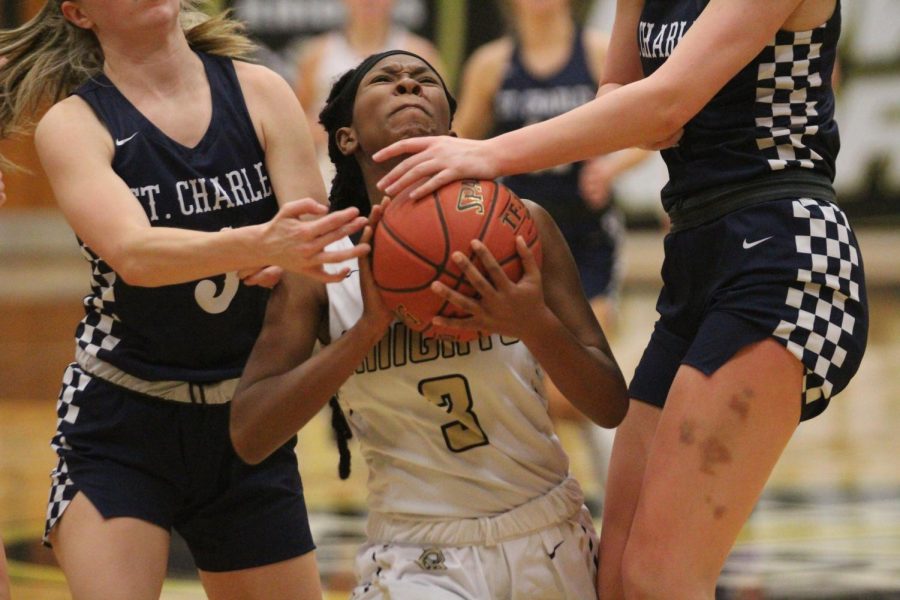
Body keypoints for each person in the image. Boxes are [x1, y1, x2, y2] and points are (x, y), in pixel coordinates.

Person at [373, 1, 869, 598]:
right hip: (695, 257)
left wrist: (488, 153)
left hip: (785, 250)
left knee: (663, 578)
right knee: (616, 579)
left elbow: (662, 103)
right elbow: (624, 95)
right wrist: (634, 110)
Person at [0, 2, 370, 599]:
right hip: (124, 418)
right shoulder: (73, 124)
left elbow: (312, 254)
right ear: (80, 12)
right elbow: (135, 253)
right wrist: (258, 241)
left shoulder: (260, 92)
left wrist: (294, 262)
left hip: (243, 419)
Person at [229, 50, 629, 599]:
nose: (408, 85)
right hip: (418, 554)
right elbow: (250, 435)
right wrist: (366, 330)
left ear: (453, 129)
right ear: (346, 138)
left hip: (547, 540)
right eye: (386, 79)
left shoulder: (522, 227)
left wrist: (531, 321)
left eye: (424, 80)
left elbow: (608, 404)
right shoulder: (322, 266)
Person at [453, 0, 650, 502]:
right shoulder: (492, 65)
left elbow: (651, 125)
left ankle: (614, 493)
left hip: (589, 243)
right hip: (518, 243)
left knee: (575, 378)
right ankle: (562, 499)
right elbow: (459, 146)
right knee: (538, 389)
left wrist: (612, 167)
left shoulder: (598, 52)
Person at [294, 0, 442, 188]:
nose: (369, 2)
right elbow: (298, 120)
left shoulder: (420, 53)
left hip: (402, 171)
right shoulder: (317, 54)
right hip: (332, 175)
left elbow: (440, 119)